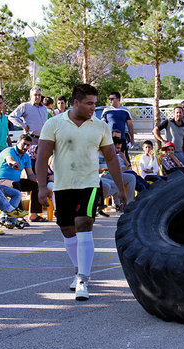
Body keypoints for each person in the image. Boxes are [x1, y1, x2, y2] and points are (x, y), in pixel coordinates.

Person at [36, 84, 127, 301]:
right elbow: (41, 157)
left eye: (95, 104)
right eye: (89, 103)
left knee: (84, 224)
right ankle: (78, 269)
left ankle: (83, 279)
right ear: (75, 102)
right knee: (68, 230)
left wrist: (121, 188)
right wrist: (41, 186)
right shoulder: (54, 124)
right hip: (62, 186)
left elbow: (112, 158)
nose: (92, 108)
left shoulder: (100, 127)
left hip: (88, 185)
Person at [0, 135, 46, 222]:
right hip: (0, 181)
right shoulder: (9, 151)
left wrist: (39, 180)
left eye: (28, 145)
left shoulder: (26, 157)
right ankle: (19, 217)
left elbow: (30, 174)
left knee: (36, 185)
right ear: (18, 143)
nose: (25, 147)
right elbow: (9, 160)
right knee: (16, 185)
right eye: (23, 144)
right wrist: (13, 163)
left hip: (15, 182)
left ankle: (33, 214)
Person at [101, 91, 136, 161]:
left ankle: (126, 170)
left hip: (121, 138)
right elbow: (102, 124)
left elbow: (130, 125)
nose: (110, 100)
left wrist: (132, 138)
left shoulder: (125, 110)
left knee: (124, 157)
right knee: (109, 158)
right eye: (109, 99)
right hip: (109, 139)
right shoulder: (107, 110)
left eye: (112, 99)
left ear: (118, 99)